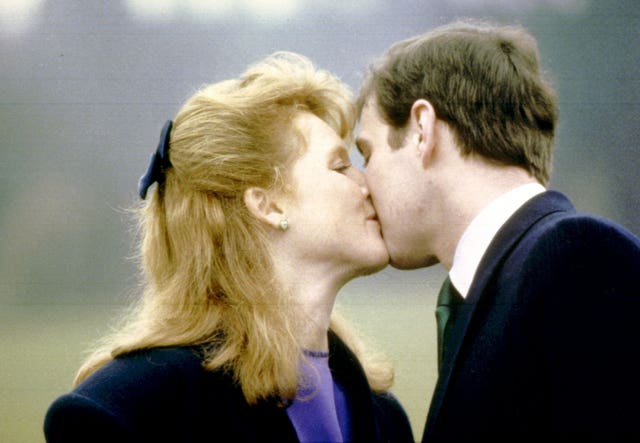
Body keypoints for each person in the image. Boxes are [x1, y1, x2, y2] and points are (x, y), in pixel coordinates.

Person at [44, 52, 414, 443]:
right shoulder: (129, 410)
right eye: (340, 167)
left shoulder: (383, 417)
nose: (367, 183)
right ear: (267, 204)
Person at [356, 20, 640, 442]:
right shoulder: (509, 278)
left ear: (421, 130)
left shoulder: (578, 256)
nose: (363, 182)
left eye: (368, 152)